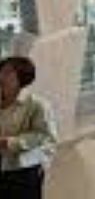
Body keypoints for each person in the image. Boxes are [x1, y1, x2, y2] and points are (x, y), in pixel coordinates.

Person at [0, 56, 57, 199]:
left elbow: (44, 136)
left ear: (22, 77)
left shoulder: (37, 104)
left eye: (7, 72)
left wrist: (9, 143)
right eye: (1, 71)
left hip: (23, 172)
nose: (1, 76)